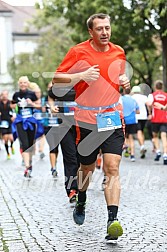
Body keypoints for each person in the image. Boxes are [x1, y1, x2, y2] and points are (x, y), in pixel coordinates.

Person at [50, 13, 130, 240]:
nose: (105, 32)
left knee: (112, 168)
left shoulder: (118, 52)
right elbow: (57, 79)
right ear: (91, 32)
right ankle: (81, 199)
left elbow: (119, 80)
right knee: (86, 168)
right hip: (86, 120)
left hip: (112, 118)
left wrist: (125, 82)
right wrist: (81, 75)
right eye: (100, 29)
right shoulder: (78, 52)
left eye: (107, 28)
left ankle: (112, 220)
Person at [11, 76, 44, 177]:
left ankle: (29, 163)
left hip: (31, 121)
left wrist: (32, 104)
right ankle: (27, 167)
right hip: (20, 121)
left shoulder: (32, 94)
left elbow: (40, 106)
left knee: (30, 144)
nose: (23, 84)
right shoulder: (16, 95)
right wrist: (16, 106)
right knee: (24, 144)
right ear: (19, 84)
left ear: (27, 83)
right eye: (21, 83)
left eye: (25, 83)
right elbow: (12, 105)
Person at [146, 80, 167, 165]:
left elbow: (149, 103)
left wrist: (150, 113)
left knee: (155, 136)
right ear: (162, 87)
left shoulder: (152, 95)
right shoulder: (166, 95)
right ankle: (165, 154)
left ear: (155, 87)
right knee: (164, 137)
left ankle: (158, 151)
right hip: (165, 119)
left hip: (155, 119)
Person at [121, 88, 140, 162]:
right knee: (131, 138)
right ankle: (132, 155)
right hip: (132, 120)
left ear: (123, 91)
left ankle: (125, 146)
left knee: (124, 136)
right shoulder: (134, 100)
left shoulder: (121, 99)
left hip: (124, 120)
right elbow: (138, 111)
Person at [131, 85, 148, 158]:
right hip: (144, 116)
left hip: (136, 117)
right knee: (141, 131)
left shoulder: (132, 97)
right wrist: (150, 113)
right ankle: (142, 146)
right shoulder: (144, 97)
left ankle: (142, 146)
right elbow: (149, 104)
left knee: (138, 131)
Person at [0, 90, 15, 159]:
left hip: (9, 121)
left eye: (6, 94)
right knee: (5, 139)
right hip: (2, 122)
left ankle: (11, 146)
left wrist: (14, 116)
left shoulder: (10, 102)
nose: (4, 96)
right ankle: (8, 153)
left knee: (11, 138)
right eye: (3, 94)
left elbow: (15, 110)